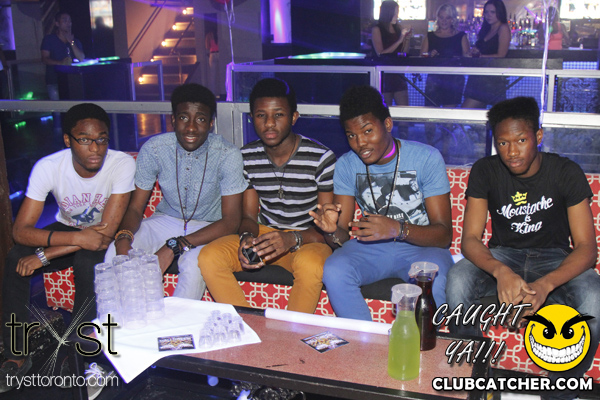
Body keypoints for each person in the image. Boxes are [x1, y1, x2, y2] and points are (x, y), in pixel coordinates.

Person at [445, 97, 600, 400]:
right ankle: (477, 377)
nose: (512, 152)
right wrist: (500, 271)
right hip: (504, 253)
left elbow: (586, 248)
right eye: (503, 143)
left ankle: (560, 391)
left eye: (521, 140)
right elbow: (471, 239)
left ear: (538, 136)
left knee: (595, 296)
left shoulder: (565, 171)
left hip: (555, 258)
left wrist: (545, 286)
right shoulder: (485, 170)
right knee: (457, 278)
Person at [0, 103, 135, 393]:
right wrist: (73, 240)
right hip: (69, 231)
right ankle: (16, 353)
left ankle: (79, 355)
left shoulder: (121, 163)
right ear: (67, 140)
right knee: (15, 258)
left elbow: (103, 235)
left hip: (106, 233)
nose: (95, 148)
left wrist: (45, 255)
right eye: (84, 140)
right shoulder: (48, 167)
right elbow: (20, 230)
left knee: (88, 261)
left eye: (101, 139)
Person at [311, 85, 454, 321]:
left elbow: (444, 235)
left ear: (387, 124)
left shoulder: (426, 158)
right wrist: (331, 230)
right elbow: (342, 238)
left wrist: (397, 229)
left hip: (422, 247)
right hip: (371, 248)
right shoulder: (347, 164)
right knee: (335, 269)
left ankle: (418, 343)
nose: (360, 143)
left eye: (368, 131)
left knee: (432, 280)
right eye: (351, 135)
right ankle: (365, 341)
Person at [198, 78, 336, 314]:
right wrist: (246, 238)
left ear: (293, 117)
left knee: (312, 265)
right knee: (209, 257)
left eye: (278, 115)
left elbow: (326, 228)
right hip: (266, 234)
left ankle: (291, 332)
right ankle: (247, 326)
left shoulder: (320, 158)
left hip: (307, 239)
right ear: (252, 118)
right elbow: (249, 216)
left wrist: (291, 239)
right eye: (261, 115)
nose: (269, 123)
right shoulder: (246, 157)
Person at [105, 83, 247, 300]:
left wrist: (174, 246)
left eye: (200, 119)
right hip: (165, 220)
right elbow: (135, 208)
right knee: (113, 254)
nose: (191, 128)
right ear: (173, 120)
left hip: (209, 227)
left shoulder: (227, 154)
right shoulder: (155, 149)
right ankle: (116, 320)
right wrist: (123, 237)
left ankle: (179, 322)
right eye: (183, 118)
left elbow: (231, 221)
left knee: (193, 264)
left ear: (211, 123)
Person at [462, 0, 511, 109]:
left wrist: (480, 57)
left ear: (499, 12)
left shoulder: (503, 28)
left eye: (492, 12)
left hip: (491, 79)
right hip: (478, 76)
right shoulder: (486, 28)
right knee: (477, 114)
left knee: (465, 110)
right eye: (486, 12)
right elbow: (484, 50)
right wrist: (475, 52)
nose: (488, 15)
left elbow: (501, 55)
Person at [420, 4, 470, 108]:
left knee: (449, 115)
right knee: (430, 114)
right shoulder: (430, 36)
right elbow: (421, 57)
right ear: (437, 18)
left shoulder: (461, 36)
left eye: (447, 18)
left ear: (452, 19)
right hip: (434, 80)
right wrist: (429, 55)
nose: (444, 21)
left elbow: (467, 59)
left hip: (454, 80)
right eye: (441, 17)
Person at [371, 0, 412, 107]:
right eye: (395, 13)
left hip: (398, 73)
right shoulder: (377, 29)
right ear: (387, 13)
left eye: (397, 13)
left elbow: (404, 52)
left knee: (404, 110)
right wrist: (399, 40)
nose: (396, 16)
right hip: (384, 74)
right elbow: (380, 53)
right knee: (385, 110)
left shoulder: (398, 28)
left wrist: (407, 39)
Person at [41, 11, 85, 102]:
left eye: (69, 21)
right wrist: (60, 63)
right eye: (65, 21)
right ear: (57, 23)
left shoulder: (75, 41)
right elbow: (45, 59)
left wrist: (71, 42)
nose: (68, 23)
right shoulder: (49, 39)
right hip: (54, 81)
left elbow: (81, 58)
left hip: (73, 81)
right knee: (58, 107)